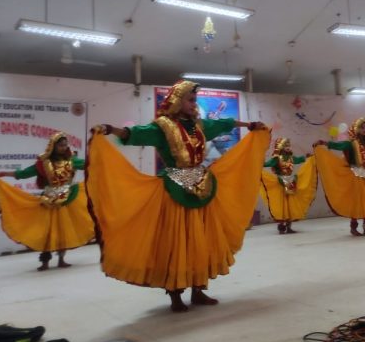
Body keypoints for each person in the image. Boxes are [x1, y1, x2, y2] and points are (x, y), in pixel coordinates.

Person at [85, 80, 270, 312]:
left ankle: (198, 290)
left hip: (201, 186)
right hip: (174, 189)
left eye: (195, 100)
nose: (195, 104)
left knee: (200, 239)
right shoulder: (162, 127)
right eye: (191, 100)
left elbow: (224, 123)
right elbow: (133, 134)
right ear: (177, 101)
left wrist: (250, 124)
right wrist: (110, 129)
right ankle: (175, 295)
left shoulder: (199, 126)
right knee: (177, 242)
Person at [0, 132, 94, 271]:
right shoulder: (43, 163)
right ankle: (45, 261)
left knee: (65, 230)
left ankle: (62, 259)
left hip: (69, 199)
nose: (63, 148)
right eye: (60, 145)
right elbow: (24, 173)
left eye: (65, 145)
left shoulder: (71, 160)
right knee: (48, 232)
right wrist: (2, 174)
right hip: (49, 200)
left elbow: (88, 165)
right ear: (53, 146)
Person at [261, 137, 317, 234]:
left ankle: (289, 226)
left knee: (291, 205)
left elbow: (299, 159)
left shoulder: (291, 158)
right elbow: (267, 164)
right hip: (280, 183)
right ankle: (281, 226)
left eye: (288, 145)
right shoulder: (276, 158)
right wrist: (259, 162)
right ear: (281, 147)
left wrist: (307, 157)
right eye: (285, 145)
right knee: (283, 205)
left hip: (290, 182)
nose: (288, 147)